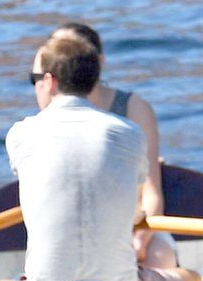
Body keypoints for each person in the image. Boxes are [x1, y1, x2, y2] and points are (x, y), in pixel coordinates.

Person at [0, 32, 198, 281]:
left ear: (50, 81)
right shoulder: (130, 134)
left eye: (35, 81)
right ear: (94, 81)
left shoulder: (20, 134)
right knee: (192, 277)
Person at [50, 22, 172, 266]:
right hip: (76, 234)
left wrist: (140, 240)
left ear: (99, 62)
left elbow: (151, 193)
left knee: (159, 259)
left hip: (135, 225)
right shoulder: (50, 113)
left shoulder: (133, 108)